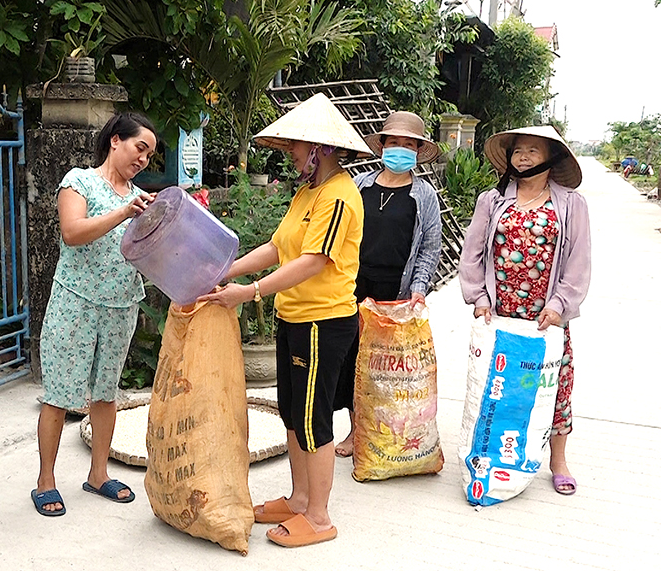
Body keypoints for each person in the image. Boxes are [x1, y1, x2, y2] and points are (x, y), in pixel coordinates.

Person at [199, 92, 371, 547]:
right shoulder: (307, 193)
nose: (291, 153)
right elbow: (278, 248)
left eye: (297, 145)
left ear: (323, 148)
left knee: (314, 419)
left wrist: (250, 291)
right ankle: (298, 500)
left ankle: (319, 516)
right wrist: (226, 271)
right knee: (293, 414)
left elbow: (314, 261)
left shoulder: (338, 196)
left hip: (322, 322)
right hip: (293, 317)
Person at [31, 112, 158, 516]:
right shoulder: (78, 181)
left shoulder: (139, 198)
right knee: (59, 395)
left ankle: (98, 474)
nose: (144, 159)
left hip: (121, 304)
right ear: (116, 140)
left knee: (106, 393)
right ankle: (45, 481)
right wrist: (124, 212)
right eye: (141, 148)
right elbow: (73, 231)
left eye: (150, 155)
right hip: (76, 302)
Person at [459, 125, 591, 496]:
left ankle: (558, 460)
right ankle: (493, 454)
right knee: (497, 385)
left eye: (533, 151)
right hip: (498, 315)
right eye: (518, 150)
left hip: (546, 318)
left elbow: (578, 263)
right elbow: (472, 253)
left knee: (553, 385)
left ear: (551, 159)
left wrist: (560, 305)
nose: (524, 157)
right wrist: (478, 297)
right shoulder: (492, 200)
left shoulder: (570, 205)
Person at [333, 111, 442, 458]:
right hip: (352, 285)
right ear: (382, 146)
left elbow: (429, 248)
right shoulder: (359, 185)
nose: (399, 149)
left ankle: (388, 433)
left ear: (418, 150)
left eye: (407, 145)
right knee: (352, 360)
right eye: (393, 142)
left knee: (384, 366)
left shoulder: (424, 196)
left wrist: (419, 290)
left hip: (396, 291)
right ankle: (356, 431)